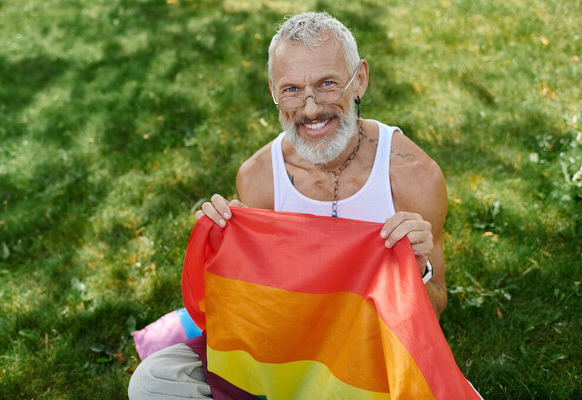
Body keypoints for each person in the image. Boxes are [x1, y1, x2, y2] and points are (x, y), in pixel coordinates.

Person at [129, 11, 448, 399]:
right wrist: (224, 249)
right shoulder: (259, 177)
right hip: (285, 354)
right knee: (154, 379)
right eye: (292, 90)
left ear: (359, 79)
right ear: (273, 92)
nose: (311, 109)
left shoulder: (413, 177)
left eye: (327, 84)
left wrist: (420, 272)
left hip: (368, 359)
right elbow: (255, 311)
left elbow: (433, 313)